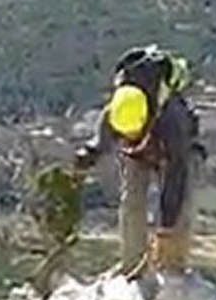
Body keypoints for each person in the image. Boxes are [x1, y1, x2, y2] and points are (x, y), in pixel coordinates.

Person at [75, 44, 204, 276]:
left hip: (177, 154)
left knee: (181, 208)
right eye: (125, 135)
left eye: (133, 133)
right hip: (142, 151)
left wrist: (166, 225)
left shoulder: (173, 122)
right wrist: (90, 153)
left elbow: (176, 178)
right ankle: (131, 265)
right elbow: (103, 139)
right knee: (132, 201)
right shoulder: (118, 112)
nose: (128, 137)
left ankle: (172, 266)